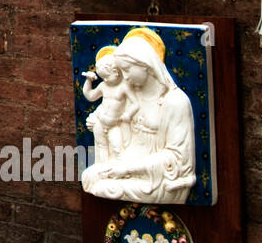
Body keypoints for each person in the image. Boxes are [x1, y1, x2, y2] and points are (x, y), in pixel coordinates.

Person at [80, 29, 197, 204]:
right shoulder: (134, 96)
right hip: (128, 162)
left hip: (160, 179)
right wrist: (97, 119)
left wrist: (128, 169)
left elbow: (178, 159)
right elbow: (115, 118)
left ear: (145, 64)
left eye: (126, 69)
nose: (124, 76)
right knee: (89, 177)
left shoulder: (175, 102)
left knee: (101, 187)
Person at [81, 49, 134, 163]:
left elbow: (136, 103)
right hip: (100, 121)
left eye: (107, 76)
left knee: (118, 148)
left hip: (114, 124)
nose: (105, 80)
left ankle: (120, 169)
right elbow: (90, 96)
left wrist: (128, 114)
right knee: (101, 146)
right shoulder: (103, 86)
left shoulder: (124, 87)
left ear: (117, 71)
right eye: (102, 77)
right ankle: (103, 169)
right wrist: (88, 81)